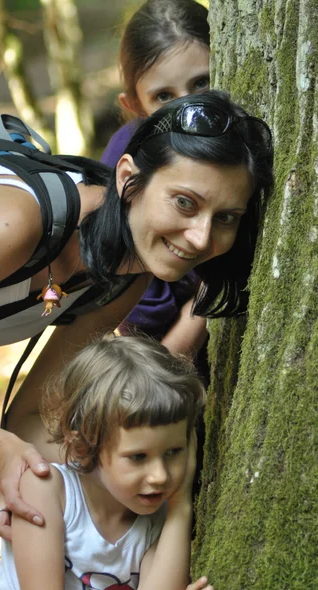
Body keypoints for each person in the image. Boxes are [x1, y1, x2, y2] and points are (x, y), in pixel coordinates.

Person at [0, 89, 273, 590]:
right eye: (185, 202)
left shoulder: (127, 274)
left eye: (226, 217)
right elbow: (14, 438)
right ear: (128, 177)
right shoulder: (13, 220)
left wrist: (124, 479)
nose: (199, 237)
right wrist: (3, 451)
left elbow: (32, 416)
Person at [0, 335, 214, 590]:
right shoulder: (46, 489)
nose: (160, 476)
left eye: (174, 452)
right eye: (138, 457)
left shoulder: (161, 516)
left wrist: (181, 503)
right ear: (83, 447)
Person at [102, 0, 210, 373]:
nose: (189, 110)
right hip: (160, 357)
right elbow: (144, 326)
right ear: (134, 104)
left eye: (202, 83)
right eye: (164, 96)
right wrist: (206, 303)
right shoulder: (127, 168)